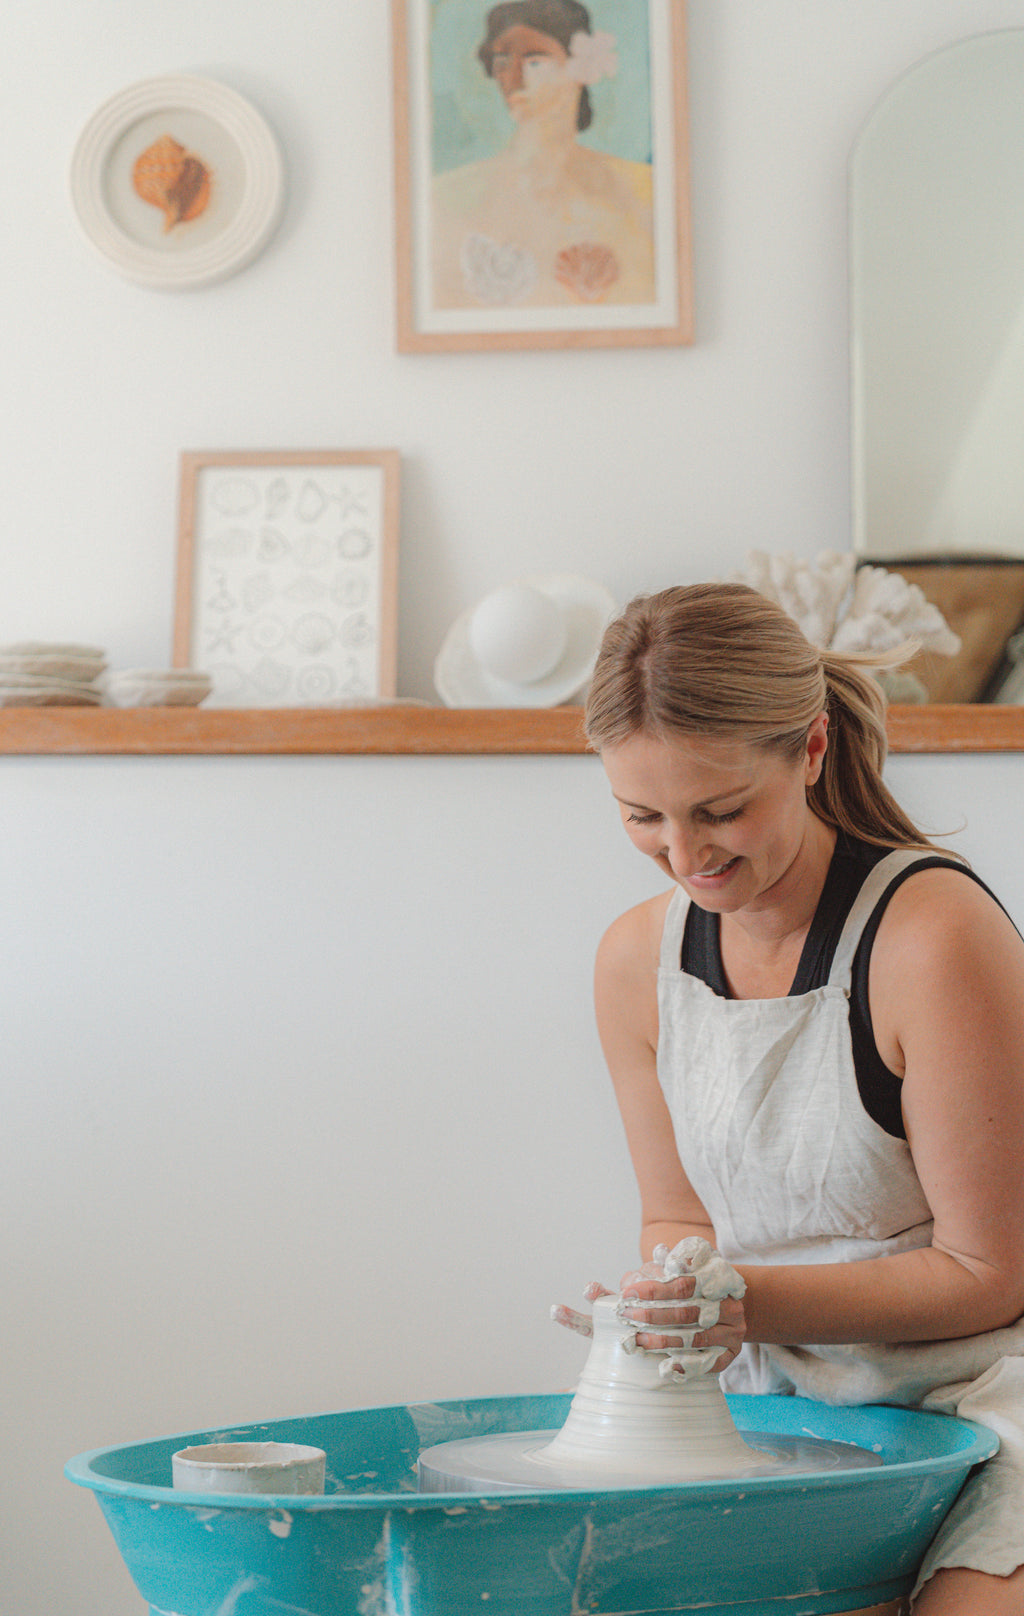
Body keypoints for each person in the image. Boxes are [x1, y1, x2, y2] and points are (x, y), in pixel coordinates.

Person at [562, 582, 1024, 1614]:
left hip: (986, 1402)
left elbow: (987, 1270)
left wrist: (739, 1303)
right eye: (642, 816)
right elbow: (682, 1217)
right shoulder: (637, 958)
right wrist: (662, 1302)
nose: (687, 857)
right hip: (777, 1411)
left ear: (810, 749)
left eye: (720, 809)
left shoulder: (929, 933)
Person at [431, 1, 655, 309]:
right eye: (502, 63)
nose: (515, 79)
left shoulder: (644, 189)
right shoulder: (447, 194)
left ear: (581, 67)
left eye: (535, 62)